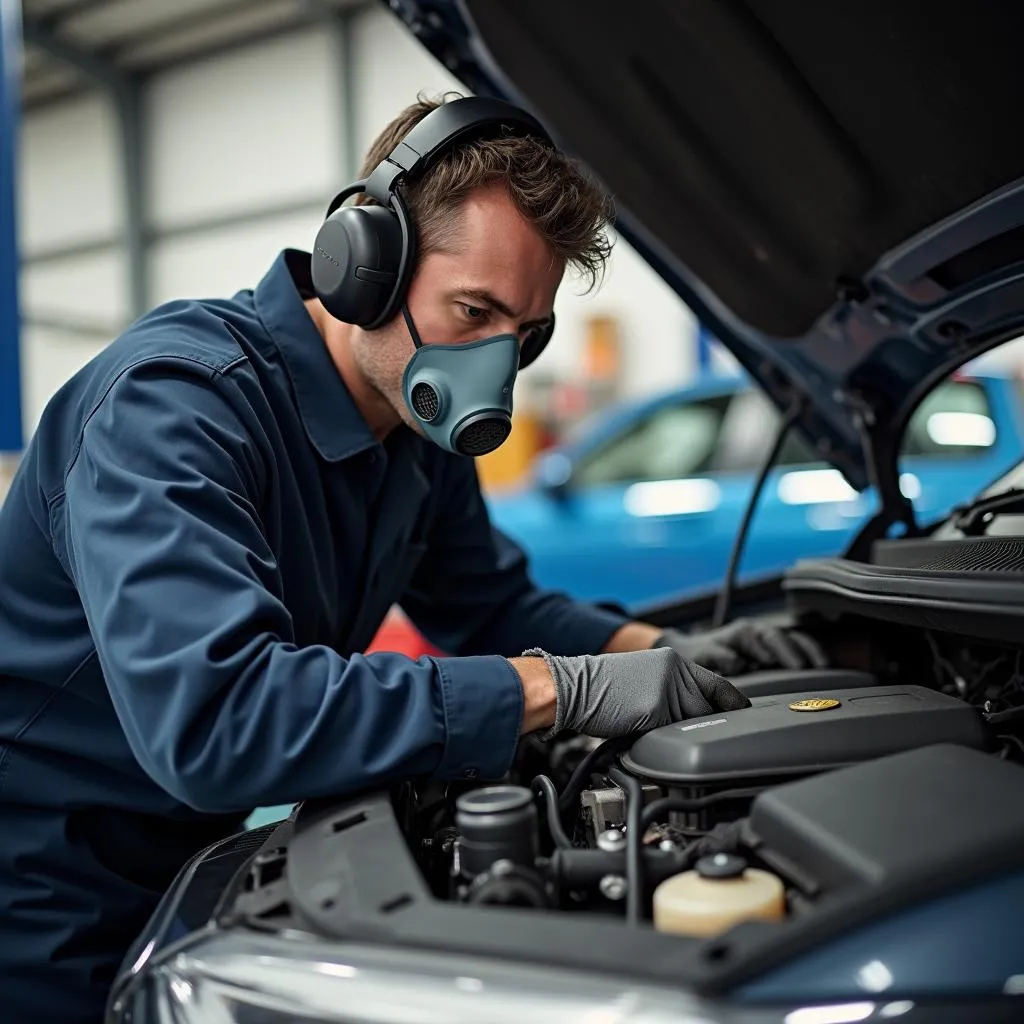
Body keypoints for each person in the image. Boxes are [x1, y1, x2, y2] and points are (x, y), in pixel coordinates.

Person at [0, 93, 823, 1021]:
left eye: (524, 334)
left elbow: (491, 607)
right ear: (366, 267)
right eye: (472, 311)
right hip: (42, 899)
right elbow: (220, 720)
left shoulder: (414, 428)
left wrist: (674, 653)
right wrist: (564, 690)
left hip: (194, 870)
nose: (493, 366)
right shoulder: (170, 411)